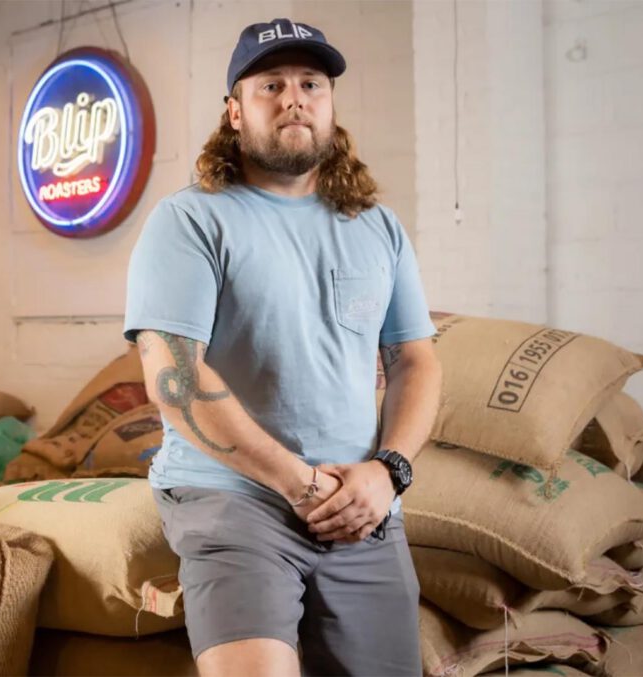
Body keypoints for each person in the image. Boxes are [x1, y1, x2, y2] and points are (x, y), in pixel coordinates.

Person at [123, 18, 443, 677]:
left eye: (311, 83)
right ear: (234, 111)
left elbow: (415, 359)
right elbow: (175, 376)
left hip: (359, 503)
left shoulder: (377, 227)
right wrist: (297, 482)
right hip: (232, 499)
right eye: (271, 83)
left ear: (330, 105)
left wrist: (388, 471)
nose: (294, 96)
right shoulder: (191, 220)